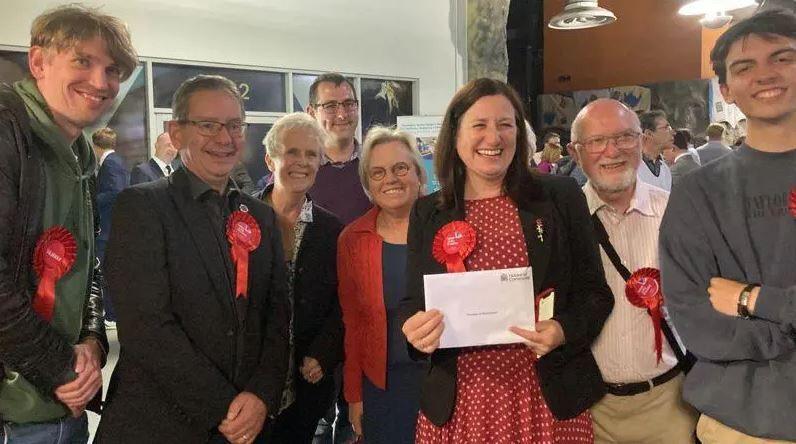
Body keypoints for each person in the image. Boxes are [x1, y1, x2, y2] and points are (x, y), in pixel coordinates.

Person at [399, 78, 613, 443]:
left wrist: (563, 330)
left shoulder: (560, 196)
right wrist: (414, 331)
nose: (493, 138)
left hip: (546, 396)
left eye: (505, 124)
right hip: (461, 402)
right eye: (479, 125)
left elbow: (595, 293)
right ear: (455, 134)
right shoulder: (428, 213)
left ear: (519, 131)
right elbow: (412, 304)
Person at [96, 75, 289, 443]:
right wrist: (226, 407)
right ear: (176, 132)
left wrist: (262, 395)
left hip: (247, 425)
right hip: (162, 425)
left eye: (234, 125)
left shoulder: (261, 216)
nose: (224, 138)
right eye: (208, 125)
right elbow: (147, 328)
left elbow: (276, 316)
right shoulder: (142, 207)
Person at [0, 5, 136, 442]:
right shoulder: (8, 133)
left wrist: (93, 342)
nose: (101, 82)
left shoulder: (77, 152)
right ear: (38, 62)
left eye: (112, 69)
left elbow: (83, 264)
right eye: (83, 60)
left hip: (62, 403)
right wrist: (60, 366)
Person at [660, 9, 796, 443]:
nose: (764, 74)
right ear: (726, 89)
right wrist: (785, 337)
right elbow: (695, 318)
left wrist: (755, 300)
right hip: (740, 427)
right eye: (744, 67)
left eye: (782, 57)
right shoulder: (698, 193)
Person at [570, 99, 698, 443]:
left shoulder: (676, 213)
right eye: (596, 141)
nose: (612, 151)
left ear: (642, 141)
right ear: (575, 152)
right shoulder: (560, 222)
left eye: (625, 137)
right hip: (591, 411)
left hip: (670, 405)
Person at [258, 112, 344, 443]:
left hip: (306, 384)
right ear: (270, 159)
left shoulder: (331, 229)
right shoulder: (241, 218)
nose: (302, 162)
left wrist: (325, 351)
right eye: (292, 152)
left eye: (311, 154)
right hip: (248, 383)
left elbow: (343, 302)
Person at [338, 126, 427, 444]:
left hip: (447, 382)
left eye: (401, 168)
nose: (391, 178)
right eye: (377, 172)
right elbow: (352, 323)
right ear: (367, 185)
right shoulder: (352, 239)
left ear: (418, 174)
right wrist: (354, 396)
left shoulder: (450, 226)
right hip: (383, 387)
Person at [307, 72, 372, 225]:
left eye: (349, 104)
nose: (342, 115)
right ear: (311, 113)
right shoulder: (299, 169)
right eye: (330, 106)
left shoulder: (376, 164)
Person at [93, 127, 129, 326]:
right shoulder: (118, 161)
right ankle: (112, 313)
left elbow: (116, 191)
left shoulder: (110, 164)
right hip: (113, 226)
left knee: (105, 272)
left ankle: (111, 315)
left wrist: (91, 199)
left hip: (107, 228)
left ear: (95, 146)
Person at [638, 110, 673, 191]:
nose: (672, 132)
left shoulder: (665, 169)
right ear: (649, 134)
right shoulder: (633, 168)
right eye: (666, 128)